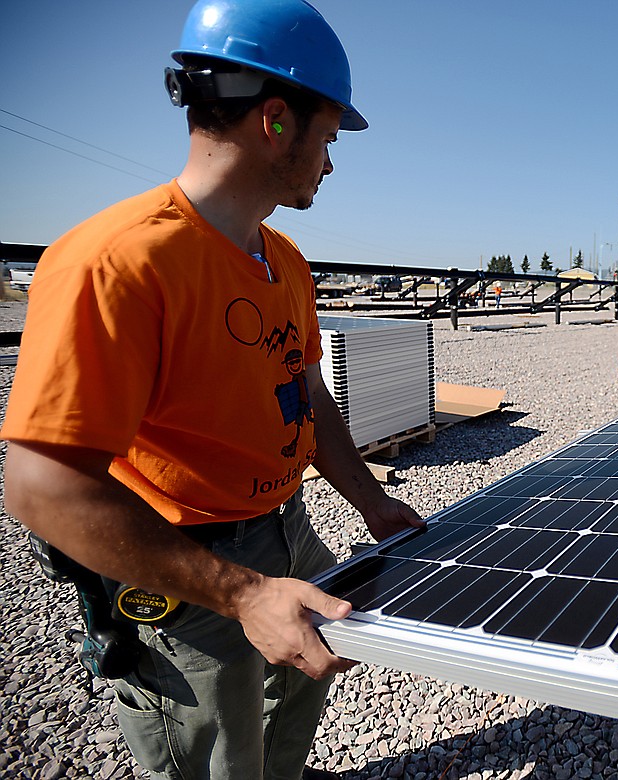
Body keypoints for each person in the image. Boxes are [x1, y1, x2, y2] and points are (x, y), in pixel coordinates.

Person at [0, 1, 425, 778]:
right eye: (326, 137)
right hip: (182, 558)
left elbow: (304, 391)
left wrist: (368, 499)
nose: (330, 162)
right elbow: (41, 488)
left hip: (284, 527)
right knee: (216, 751)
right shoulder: (119, 262)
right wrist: (242, 594)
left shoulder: (285, 260)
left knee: (302, 689)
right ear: (274, 121)